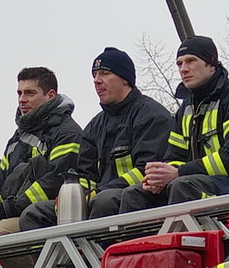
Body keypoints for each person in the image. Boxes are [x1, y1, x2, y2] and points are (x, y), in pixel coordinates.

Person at [119, 36, 229, 214]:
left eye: (191, 61)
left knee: (182, 186)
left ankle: (179, 242)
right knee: (134, 194)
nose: (183, 69)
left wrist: (178, 173)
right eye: (179, 64)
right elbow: (175, 156)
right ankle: (140, 243)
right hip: (201, 181)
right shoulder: (186, 108)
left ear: (211, 64)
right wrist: (162, 177)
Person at [20, 48, 173, 230]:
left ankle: (102, 258)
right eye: (94, 74)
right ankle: (62, 259)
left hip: (140, 197)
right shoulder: (95, 125)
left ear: (125, 79)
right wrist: (77, 196)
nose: (97, 80)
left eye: (105, 73)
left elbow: (147, 171)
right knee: (34, 214)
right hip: (99, 196)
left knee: (103, 201)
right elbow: (84, 174)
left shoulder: (152, 116)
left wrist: (99, 192)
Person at [0, 67, 83, 242]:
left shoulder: (67, 132)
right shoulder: (17, 138)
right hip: (7, 212)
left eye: (30, 93)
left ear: (50, 95)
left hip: (42, 215)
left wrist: (7, 208)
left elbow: (55, 181)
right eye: (19, 93)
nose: (22, 100)